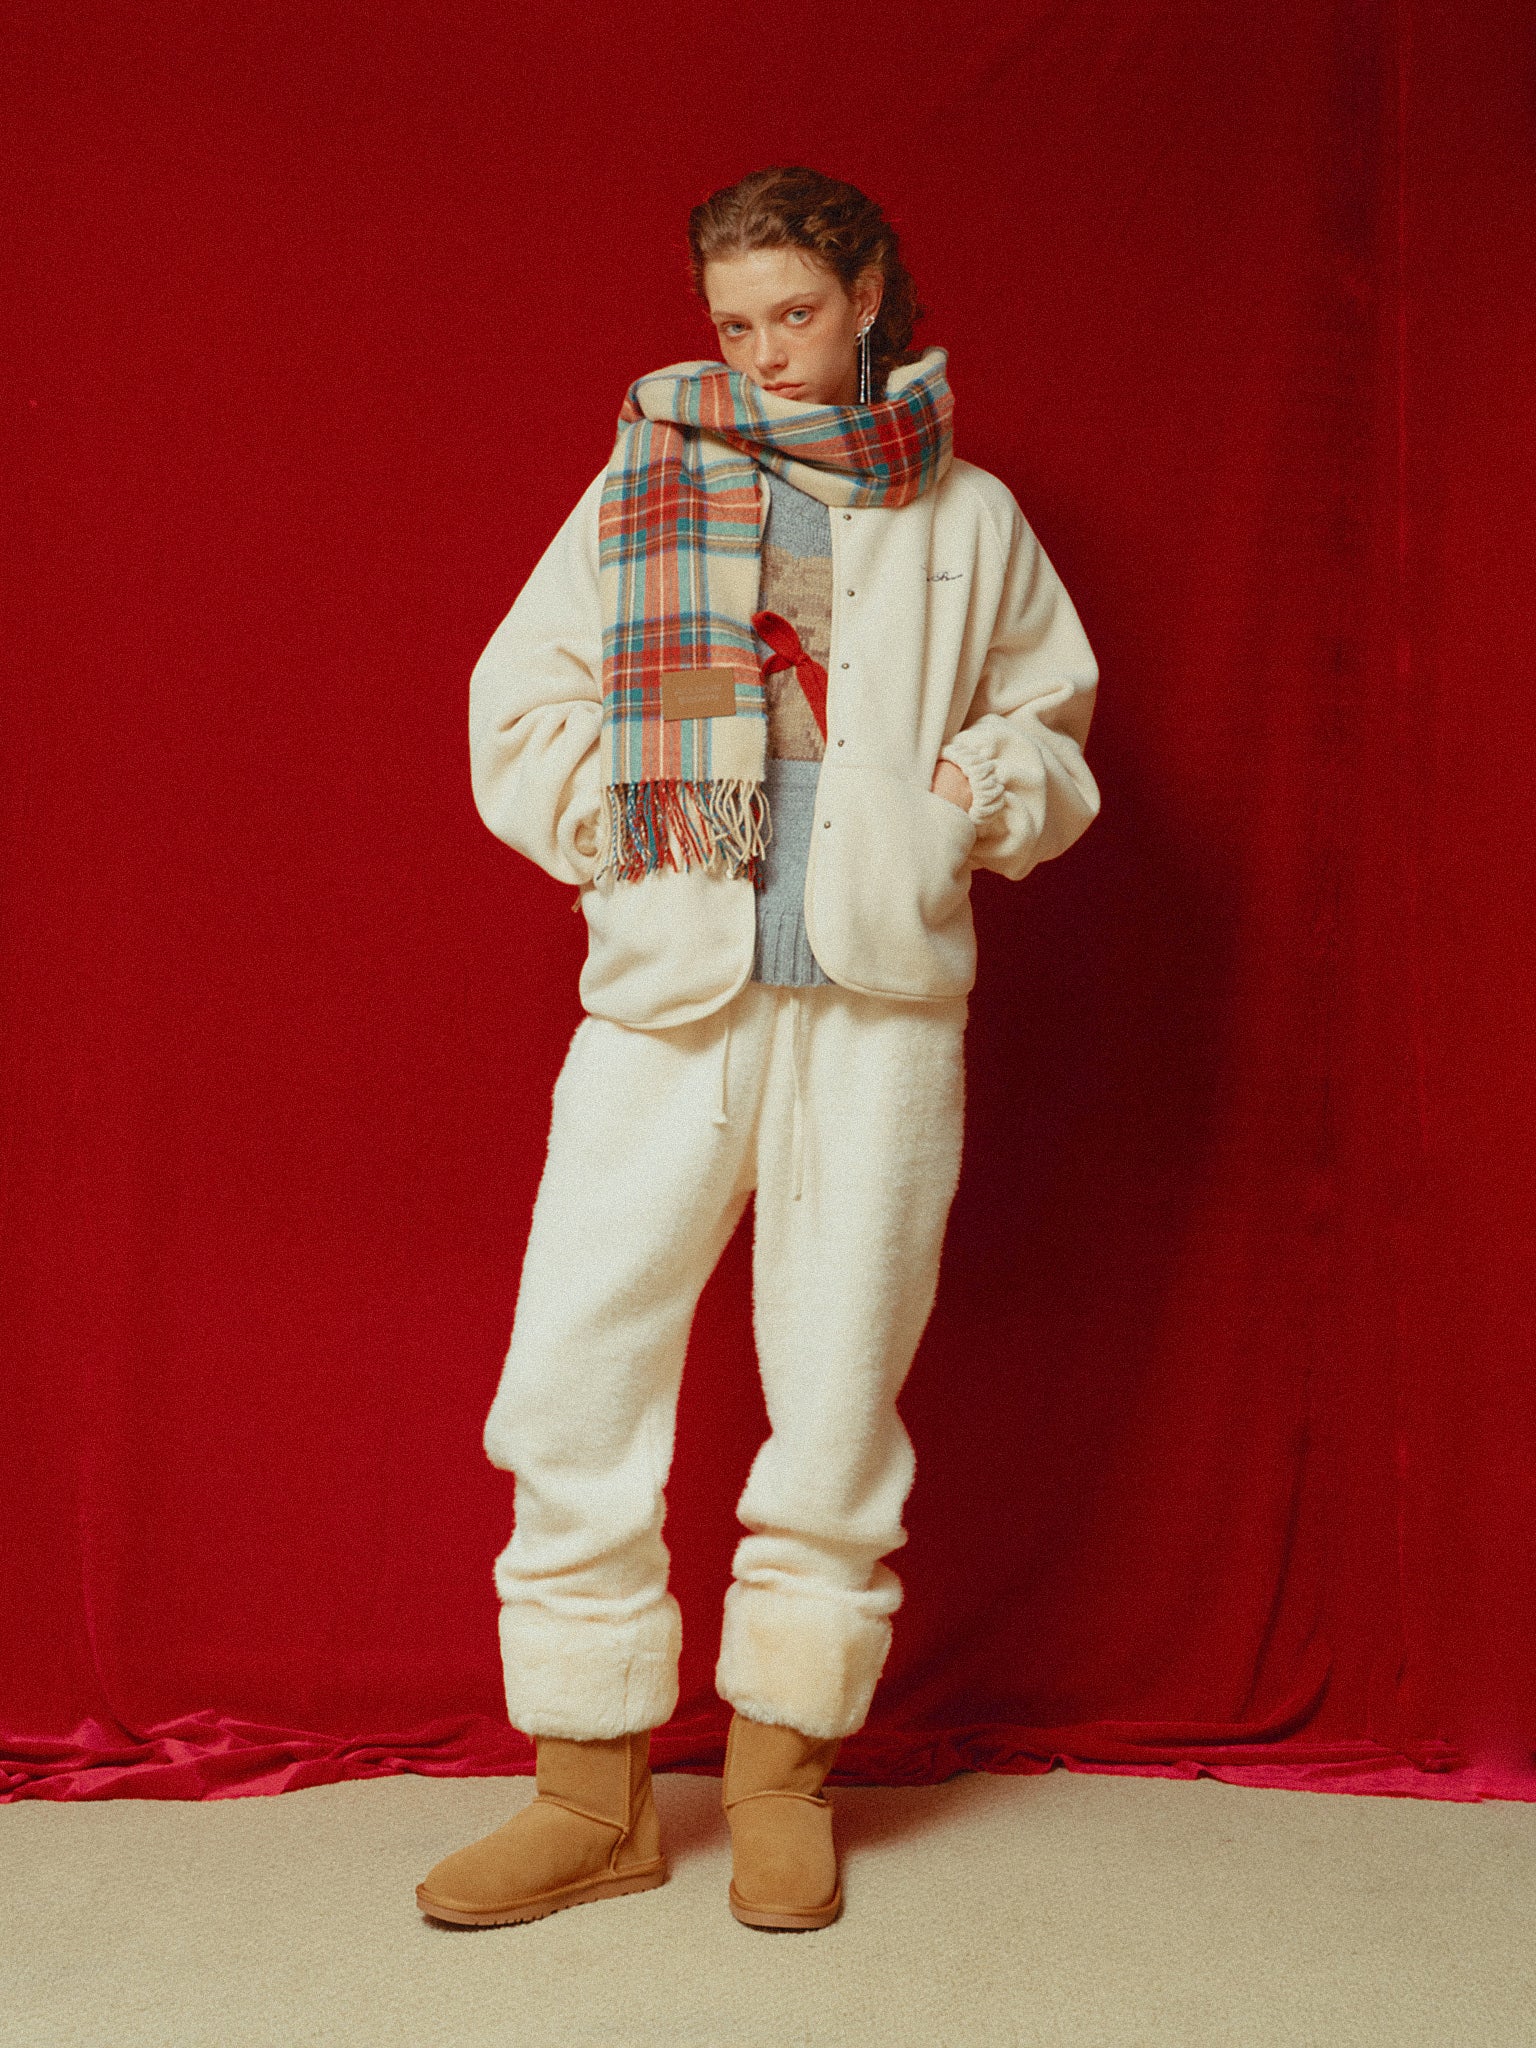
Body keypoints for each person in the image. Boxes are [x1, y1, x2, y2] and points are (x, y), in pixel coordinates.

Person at [416, 165, 1101, 1934]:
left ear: (868, 296)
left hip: (876, 1009)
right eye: (735, 323)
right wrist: (631, 831)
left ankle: (784, 1776)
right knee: (573, 1373)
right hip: (671, 995)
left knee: (838, 1388)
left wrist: (965, 797)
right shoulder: (644, 483)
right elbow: (518, 706)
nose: (766, 352)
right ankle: (590, 1797)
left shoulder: (966, 513)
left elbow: (1051, 722)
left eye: (795, 312)